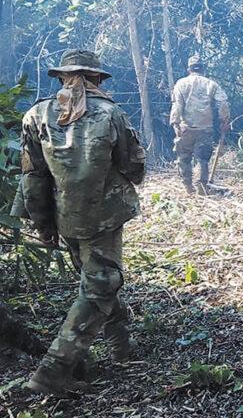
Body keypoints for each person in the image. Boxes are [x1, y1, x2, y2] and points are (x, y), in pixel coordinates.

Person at [14, 49, 145, 395]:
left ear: (61, 77)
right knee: (101, 284)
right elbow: (133, 166)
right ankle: (53, 371)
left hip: (63, 217)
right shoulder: (111, 113)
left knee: (97, 279)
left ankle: (121, 347)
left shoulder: (36, 114)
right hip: (103, 217)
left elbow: (32, 177)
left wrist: (43, 224)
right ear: (97, 78)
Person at [170, 56, 230, 194]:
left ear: (189, 69)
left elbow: (177, 104)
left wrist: (175, 123)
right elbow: (223, 103)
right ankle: (201, 190)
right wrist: (224, 121)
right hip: (205, 129)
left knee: (183, 157)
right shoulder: (211, 84)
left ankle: (188, 187)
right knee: (202, 159)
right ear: (203, 69)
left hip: (185, 128)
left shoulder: (181, 83)